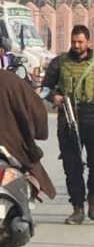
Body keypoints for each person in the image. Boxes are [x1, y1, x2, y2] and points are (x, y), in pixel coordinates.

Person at [40, 25, 94, 225]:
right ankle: (77, 207)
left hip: (93, 120)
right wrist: (53, 97)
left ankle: (93, 195)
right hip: (67, 120)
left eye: (80, 42)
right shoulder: (59, 63)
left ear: (88, 42)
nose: (76, 45)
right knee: (72, 167)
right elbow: (44, 88)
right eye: (74, 41)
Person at [0, 68, 57, 203]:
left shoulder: (10, 81)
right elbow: (37, 112)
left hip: (8, 151)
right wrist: (38, 133)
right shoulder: (11, 81)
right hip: (12, 147)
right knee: (31, 165)